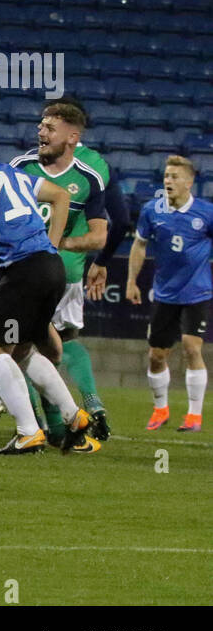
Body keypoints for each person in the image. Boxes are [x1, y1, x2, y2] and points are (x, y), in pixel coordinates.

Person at [0, 110, 99, 455]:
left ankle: (28, 432)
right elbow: (60, 197)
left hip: (23, 272)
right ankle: (74, 417)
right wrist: (51, 246)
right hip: (50, 270)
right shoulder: (13, 173)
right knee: (22, 351)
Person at [9, 102, 111, 439]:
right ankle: (69, 417)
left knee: (12, 348)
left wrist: (61, 245)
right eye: (41, 126)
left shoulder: (88, 177)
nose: (41, 132)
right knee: (40, 346)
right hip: (23, 273)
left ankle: (46, 423)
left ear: (72, 136)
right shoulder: (20, 166)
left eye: (50, 128)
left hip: (59, 278)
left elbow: (100, 235)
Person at [127, 155, 212, 433]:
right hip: (165, 294)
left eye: (175, 177)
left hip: (197, 292)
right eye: (166, 176)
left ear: (189, 182)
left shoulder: (206, 213)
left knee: (191, 347)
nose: (168, 181)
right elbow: (139, 246)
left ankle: (194, 415)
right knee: (156, 356)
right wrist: (131, 281)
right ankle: (160, 408)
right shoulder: (153, 211)